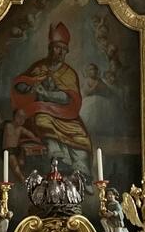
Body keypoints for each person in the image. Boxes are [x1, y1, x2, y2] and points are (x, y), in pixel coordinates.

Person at [12, 22, 92, 174]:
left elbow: (71, 99)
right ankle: (58, 157)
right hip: (43, 110)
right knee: (43, 120)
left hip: (65, 113)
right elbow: (22, 84)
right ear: (50, 49)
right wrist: (29, 87)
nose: (60, 52)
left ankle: (82, 171)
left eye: (64, 50)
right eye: (57, 48)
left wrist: (47, 94)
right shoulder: (40, 67)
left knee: (81, 135)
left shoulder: (69, 73)